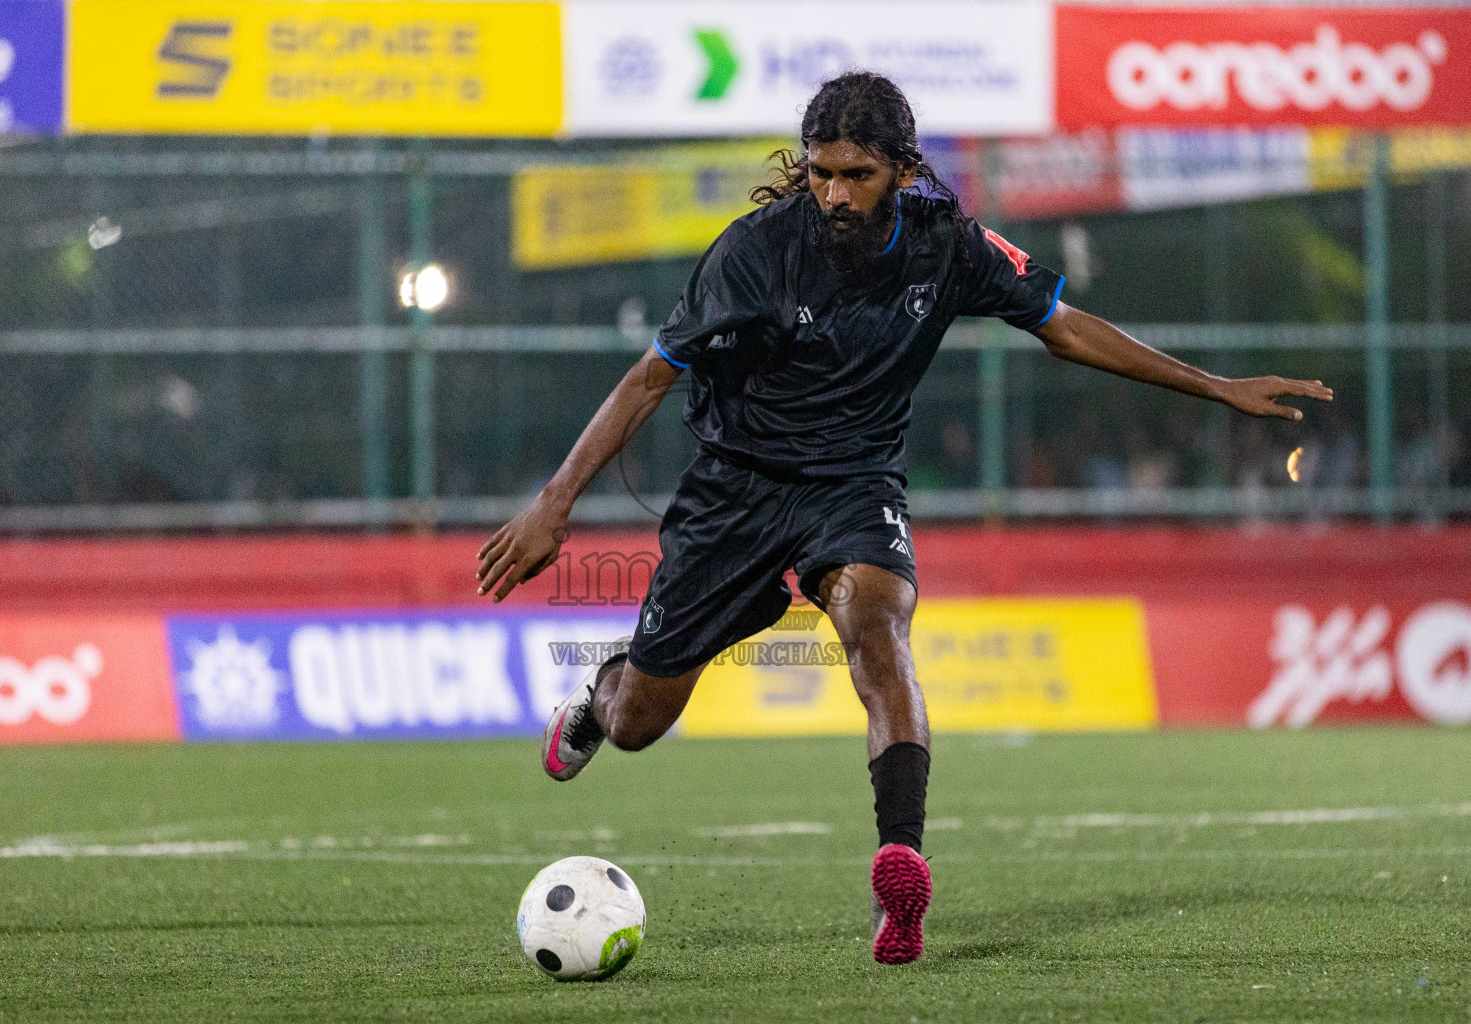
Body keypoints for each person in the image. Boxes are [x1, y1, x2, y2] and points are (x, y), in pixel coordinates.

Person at [475, 71, 1333, 965]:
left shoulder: (948, 246)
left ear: (900, 168)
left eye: (857, 175)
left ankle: (901, 867)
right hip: (735, 488)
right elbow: (653, 375)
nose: (836, 194)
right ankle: (600, 690)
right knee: (636, 725)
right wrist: (554, 503)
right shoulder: (753, 252)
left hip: (855, 481)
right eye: (822, 174)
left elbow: (1064, 325)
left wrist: (1214, 386)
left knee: (878, 630)